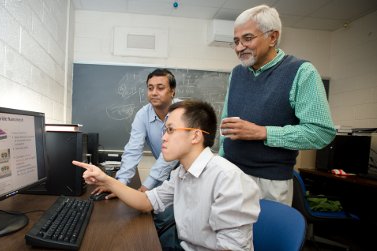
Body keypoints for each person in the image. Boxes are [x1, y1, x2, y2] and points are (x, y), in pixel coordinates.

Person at [73, 99, 261, 250]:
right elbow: (146, 202)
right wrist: (105, 179)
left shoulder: (228, 179)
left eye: (170, 130)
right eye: (164, 130)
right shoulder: (182, 172)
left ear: (195, 136)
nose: (163, 137)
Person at [219, 4, 336, 206]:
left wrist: (263, 132)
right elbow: (226, 125)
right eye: (236, 41)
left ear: (272, 37)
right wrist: (220, 163)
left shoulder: (301, 72)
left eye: (247, 39)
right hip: (230, 175)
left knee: (264, 238)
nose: (239, 48)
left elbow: (321, 132)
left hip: (269, 184)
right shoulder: (236, 74)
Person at [92, 68, 179, 197]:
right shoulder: (142, 115)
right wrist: (120, 185)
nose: (154, 93)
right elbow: (133, 150)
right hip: (167, 172)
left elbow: (172, 152)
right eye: (150, 88)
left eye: (160, 88)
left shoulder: (183, 112)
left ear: (172, 92)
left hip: (192, 172)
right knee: (159, 213)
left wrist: (147, 185)